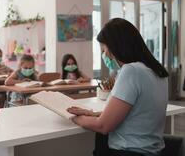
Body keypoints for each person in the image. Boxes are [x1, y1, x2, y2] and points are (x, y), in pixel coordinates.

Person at [67, 18, 168, 156]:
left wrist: (71, 116)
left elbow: (103, 126)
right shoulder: (156, 71)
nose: (105, 55)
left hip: (128, 151)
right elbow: (137, 113)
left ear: (116, 46)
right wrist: (93, 114)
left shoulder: (131, 71)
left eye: (104, 49)